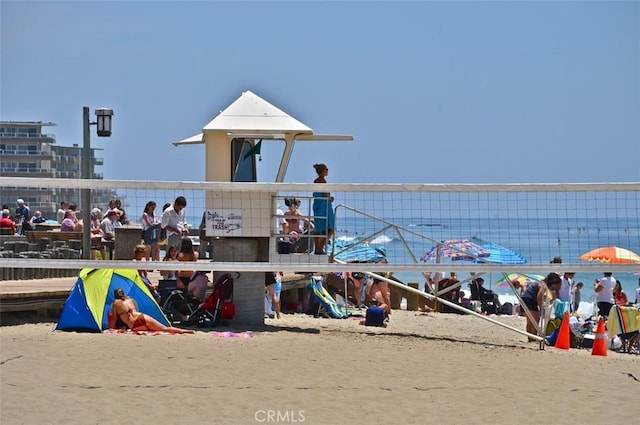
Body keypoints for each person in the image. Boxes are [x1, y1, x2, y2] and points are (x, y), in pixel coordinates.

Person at [108, 288, 193, 334]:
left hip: (133, 325)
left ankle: (182, 331)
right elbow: (136, 310)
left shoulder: (115, 303)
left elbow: (114, 318)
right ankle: (182, 331)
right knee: (164, 328)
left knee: (155, 329)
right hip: (140, 316)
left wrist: (110, 328)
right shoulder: (130, 300)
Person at [520, 272, 562, 341]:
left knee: (530, 322)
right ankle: (533, 338)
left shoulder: (541, 283)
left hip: (524, 298)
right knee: (536, 321)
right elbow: (539, 297)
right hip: (530, 300)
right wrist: (542, 309)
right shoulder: (543, 285)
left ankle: (530, 338)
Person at [311, 163, 334, 255]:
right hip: (324, 206)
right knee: (330, 228)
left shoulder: (316, 180)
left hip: (318, 205)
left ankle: (318, 248)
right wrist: (330, 198)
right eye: (326, 169)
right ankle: (320, 247)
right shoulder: (322, 181)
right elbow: (325, 195)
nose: (328, 171)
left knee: (318, 227)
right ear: (323, 171)